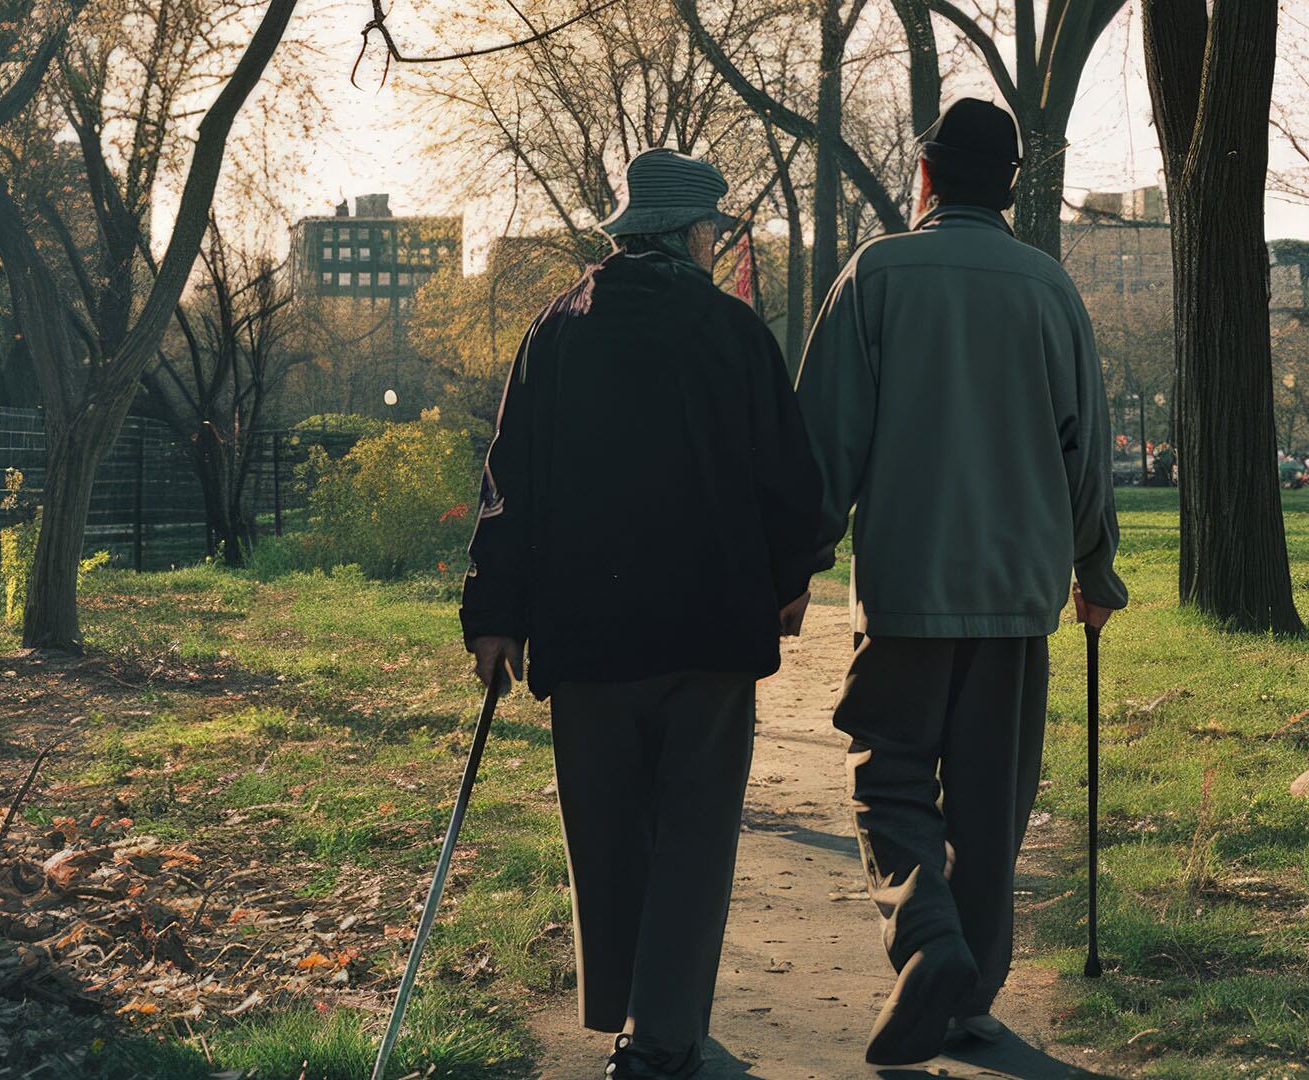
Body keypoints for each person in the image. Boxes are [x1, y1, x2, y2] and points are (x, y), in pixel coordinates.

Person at [460, 148, 822, 1080]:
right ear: (694, 234)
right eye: (713, 230)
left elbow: (509, 482)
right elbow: (786, 472)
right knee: (695, 835)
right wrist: (792, 575)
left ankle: (630, 1005)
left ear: (630, 235)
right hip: (707, 629)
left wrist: (492, 614)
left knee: (609, 829)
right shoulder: (731, 330)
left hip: (588, 631)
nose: (715, 242)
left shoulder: (558, 330)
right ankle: (660, 1034)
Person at [793, 97, 1127, 1067]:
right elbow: (1087, 452)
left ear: (927, 177)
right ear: (1011, 188)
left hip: (908, 585)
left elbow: (828, 440)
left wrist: (798, 563)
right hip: (1019, 595)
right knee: (991, 803)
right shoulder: (1050, 288)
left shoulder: (876, 275)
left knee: (887, 774)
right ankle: (968, 994)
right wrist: (1092, 568)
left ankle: (927, 941)